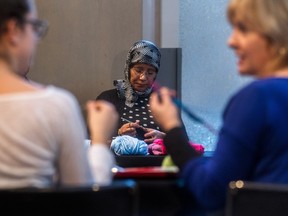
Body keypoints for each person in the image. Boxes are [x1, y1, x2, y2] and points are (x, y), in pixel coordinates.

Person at [150, 0, 288, 213]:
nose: (231, 41)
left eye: (243, 29)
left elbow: (211, 191)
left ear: (273, 33)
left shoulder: (257, 98)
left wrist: (172, 129)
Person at [0, 0, 118, 188]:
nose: (37, 39)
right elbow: (84, 198)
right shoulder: (55, 106)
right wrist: (99, 140)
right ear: (13, 30)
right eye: (34, 27)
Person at [97, 40, 165, 144]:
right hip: (117, 160)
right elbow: (92, 140)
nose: (143, 77)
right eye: (138, 70)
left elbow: (183, 143)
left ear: (156, 75)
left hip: (155, 160)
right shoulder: (108, 99)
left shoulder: (163, 102)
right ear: (128, 69)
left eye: (150, 72)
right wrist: (118, 134)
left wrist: (164, 138)